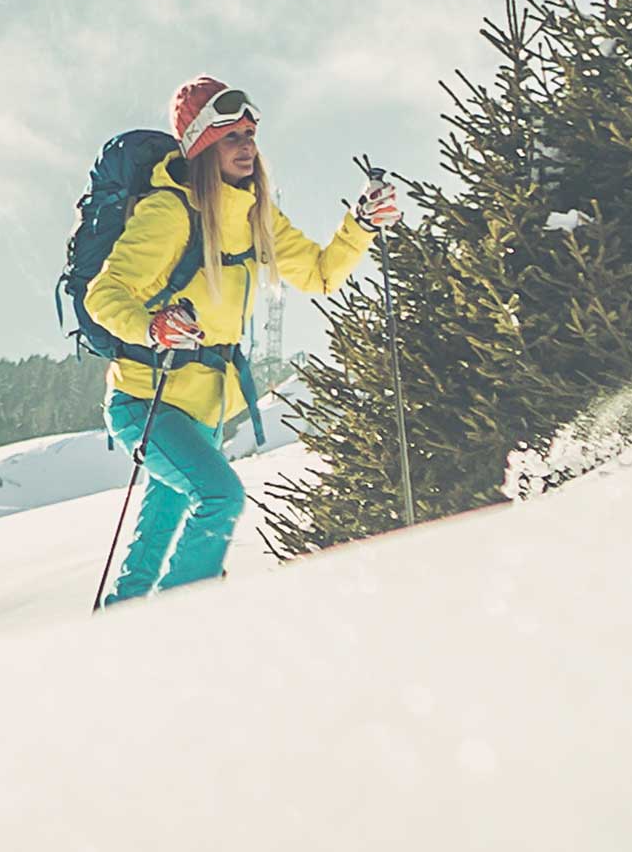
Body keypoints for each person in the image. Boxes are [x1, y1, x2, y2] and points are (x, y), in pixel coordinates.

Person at [86, 76, 398, 602]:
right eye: (232, 136)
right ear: (204, 146)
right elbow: (104, 294)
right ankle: (185, 615)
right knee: (219, 496)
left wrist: (361, 225)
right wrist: (153, 327)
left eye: (251, 133)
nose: (247, 146)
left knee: (158, 531)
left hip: (205, 410)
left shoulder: (257, 216)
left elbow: (320, 274)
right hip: (146, 400)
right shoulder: (168, 213)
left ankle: (120, 627)